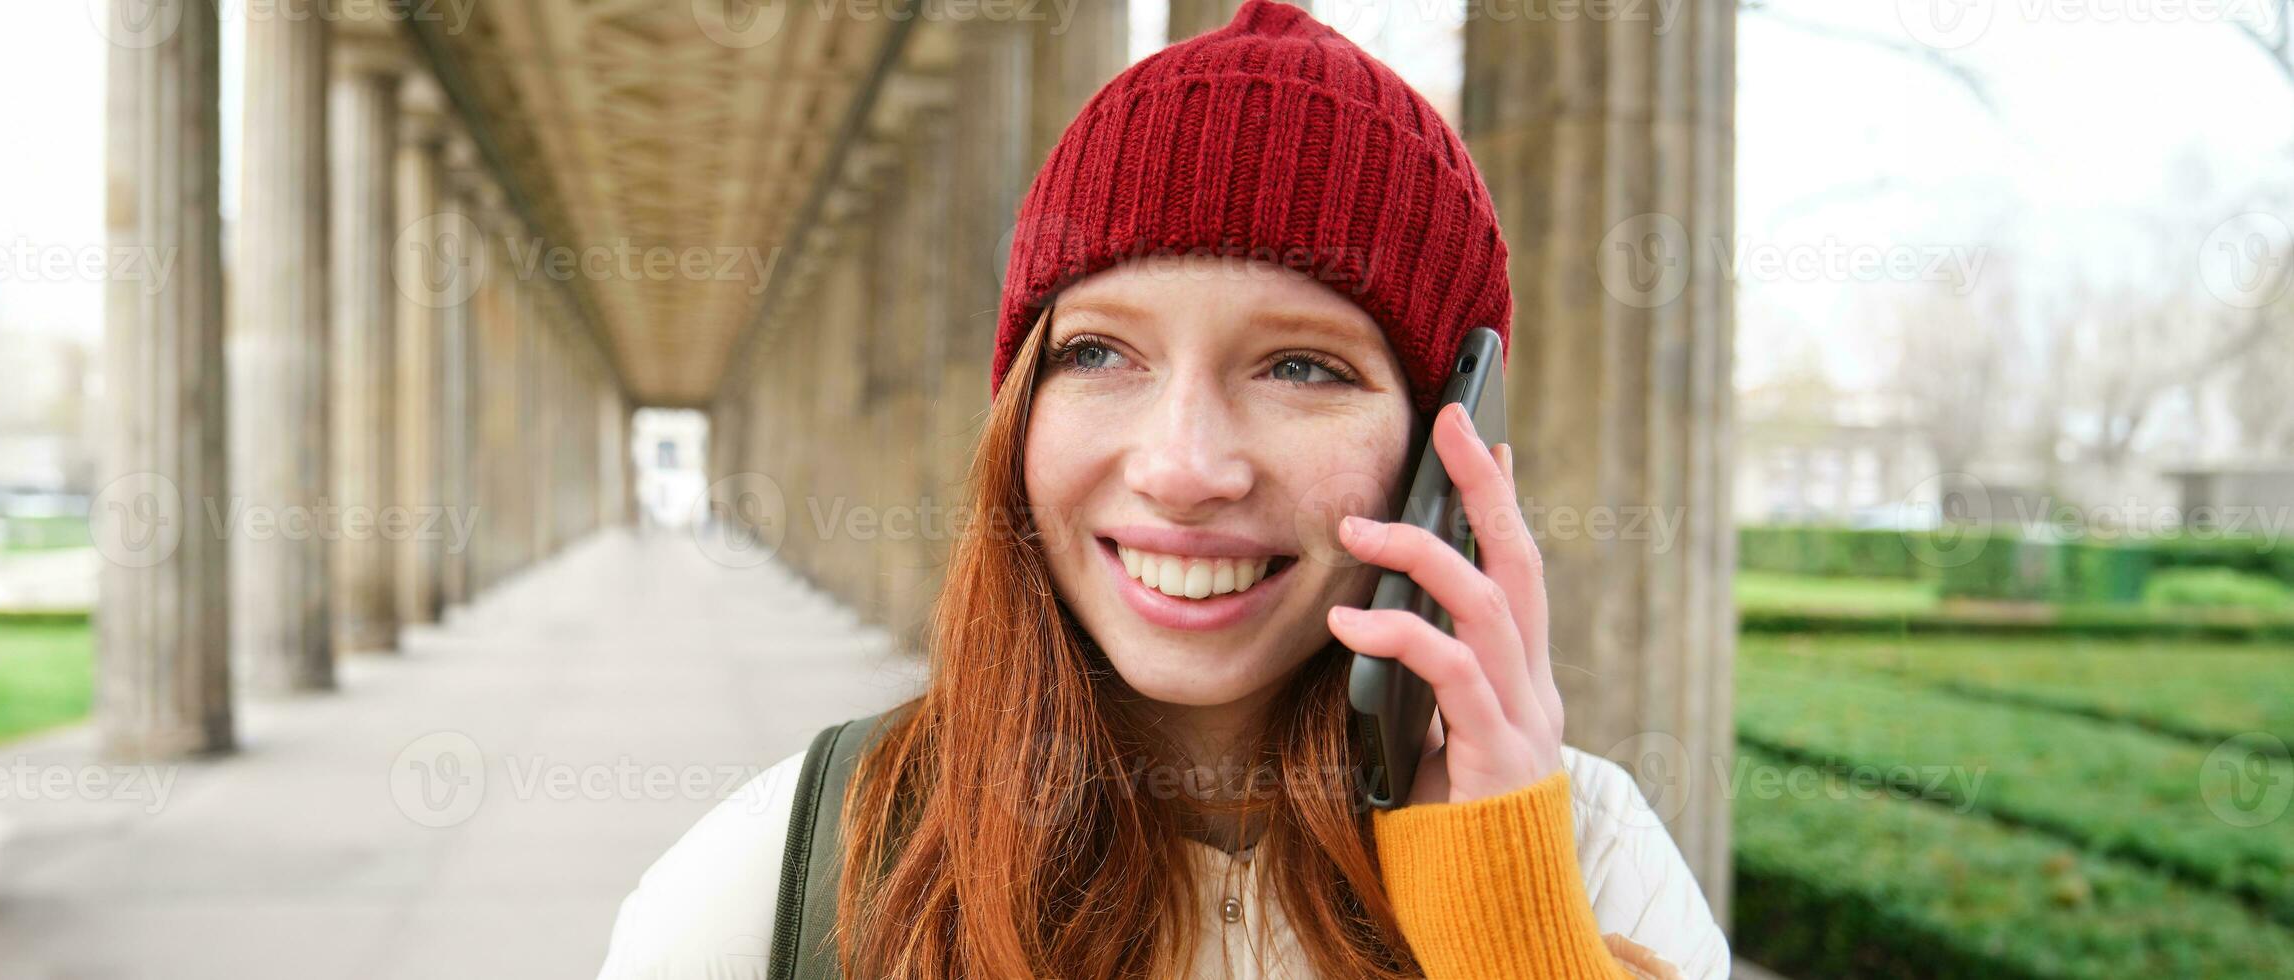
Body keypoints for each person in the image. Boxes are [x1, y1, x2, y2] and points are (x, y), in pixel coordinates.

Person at [599, 2, 1729, 977]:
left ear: (1448, 455)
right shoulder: (783, 870)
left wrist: (1504, 922)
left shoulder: (1592, 854)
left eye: (1300, 366)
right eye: (1097, 353)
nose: (1182, 467)